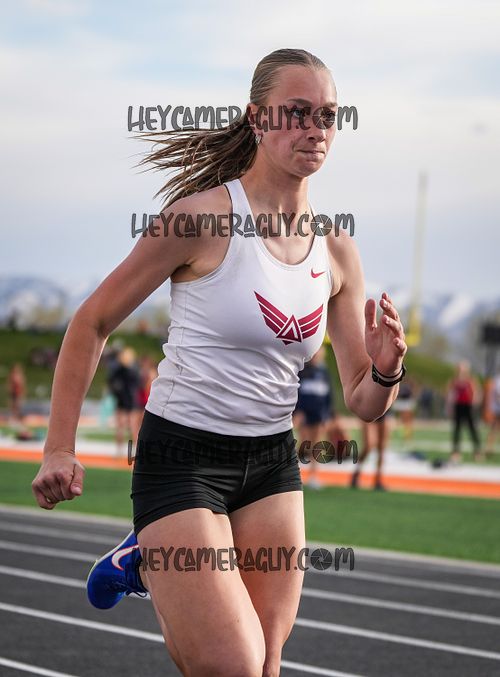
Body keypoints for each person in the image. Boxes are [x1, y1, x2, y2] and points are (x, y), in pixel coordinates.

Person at [31, 49, 408, 677]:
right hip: (182, 458)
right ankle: (156, 547)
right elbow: (90, 322)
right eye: (296, 112)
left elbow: (363, 399)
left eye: (327, 115)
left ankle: (148, 557)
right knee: (234, 665)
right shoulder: (200, 219)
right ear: (258, 119)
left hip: (271, 463)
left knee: (266, 666)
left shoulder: (336, 247)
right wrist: (58, 448)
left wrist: (387, 368)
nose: (314, 128)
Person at [293, 345, 332, 488]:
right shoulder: (303, 371)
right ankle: (293, 474)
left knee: (316, 445)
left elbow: (329, 395)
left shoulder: (324, 372)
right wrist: (297, 411)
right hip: (304, 413)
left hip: (319, 414)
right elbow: (296, 392)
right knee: (303, 443)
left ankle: (313, 476)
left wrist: (328, 415)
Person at [107, 347, 142, 456]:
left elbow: (111, 383)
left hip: (126, 401)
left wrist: (117, 391)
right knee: (128, 427)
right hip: (128, 401)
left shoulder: (124, 370)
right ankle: (129, 450)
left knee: (126, 427)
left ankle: (125, 450)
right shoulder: (132, 371)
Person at [446, 360, 483, 463]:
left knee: (472, 429)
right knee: (457, 429)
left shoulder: (471, 380)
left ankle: (477, 452)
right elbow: (450, 394)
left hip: (468, 406)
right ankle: (456, 452)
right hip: (458, 406)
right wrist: (450, 407)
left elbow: (476, 392)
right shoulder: (454, 381)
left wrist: (474, 403)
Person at [350, 410, 393, 491]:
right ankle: (356, 473)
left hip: (385, 412)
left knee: (382, 447)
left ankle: (378, 480)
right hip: (369, 411)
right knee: (368, 446)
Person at [484, 369, 500, 457]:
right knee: (494, 428)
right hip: (498, 408)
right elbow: (498, 396)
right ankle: (489, 448)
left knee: (494, 428)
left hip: (496, 407)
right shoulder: (498, 380)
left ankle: (489, 447)